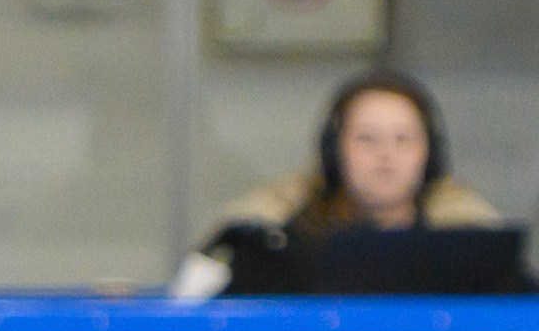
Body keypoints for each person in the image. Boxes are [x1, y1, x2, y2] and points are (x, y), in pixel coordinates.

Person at [172, 71, 501, 300]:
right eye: (367, 139)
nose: (386, 155)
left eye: (403, 140)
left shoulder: (474, 251)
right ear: (334, 152)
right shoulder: (274, 247)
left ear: (429, 155)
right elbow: (192, 311)